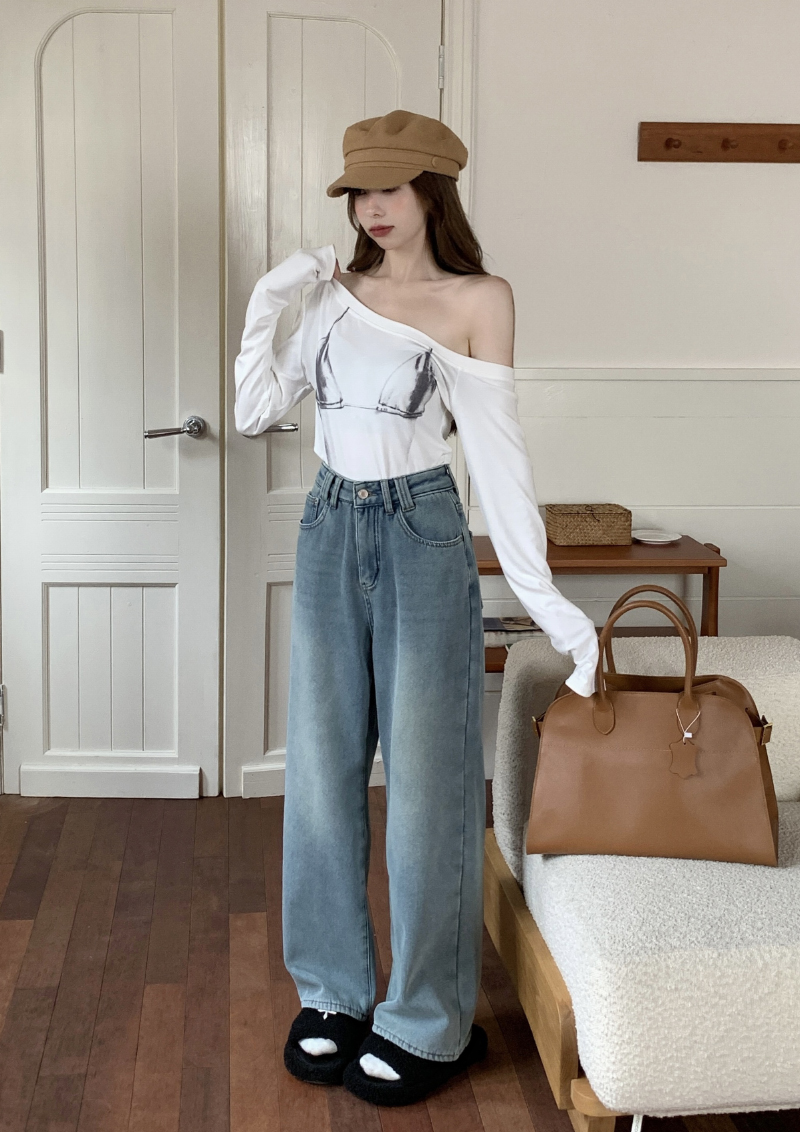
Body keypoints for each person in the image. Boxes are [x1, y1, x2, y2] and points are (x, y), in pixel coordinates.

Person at [234, 109, 599, 1107]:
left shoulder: (478, 300)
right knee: (320, 771)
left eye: (390, 187)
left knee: (430, 783)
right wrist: (272, 297)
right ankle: (333, 993)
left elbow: (499, 462)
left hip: (421, 533)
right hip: (327, 527)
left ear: (433, 189)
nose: (371, 207)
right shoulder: (331, 296)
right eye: (359, 190)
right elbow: (255, 410)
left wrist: (548, 603)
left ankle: (429, 1018)